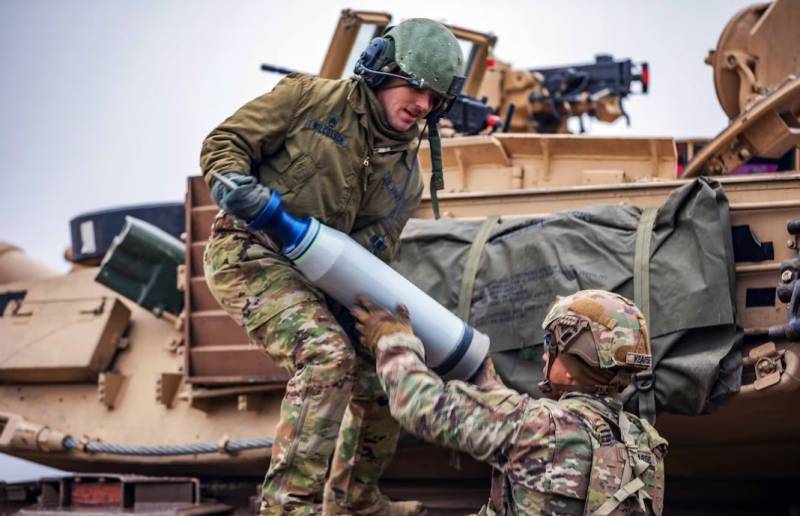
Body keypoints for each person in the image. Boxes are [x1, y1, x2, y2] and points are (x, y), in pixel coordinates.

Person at [200, 18, 464, 516]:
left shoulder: (406, 178)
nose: (423, 105)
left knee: (390, 364)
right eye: (415, 86)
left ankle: (354, 498)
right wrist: (236, 184)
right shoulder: (308, 99)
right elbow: (225, 142)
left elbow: (369, 257)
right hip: (248, 253)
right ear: (384, 70)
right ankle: (288, 506)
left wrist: (379, 330)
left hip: (323, 280)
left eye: (435, 98)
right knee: (327, 358)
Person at [352, 289, 668, 515]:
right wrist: (484, 376)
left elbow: (418, 403)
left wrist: (392, 341)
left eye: (551, 344)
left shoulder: (537, 426)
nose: (545, 354)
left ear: (574, 363)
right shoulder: (644, 444)